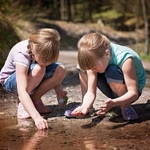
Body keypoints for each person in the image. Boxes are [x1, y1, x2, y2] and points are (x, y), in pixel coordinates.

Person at [65, 32, 146, 121]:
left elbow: (133, 93)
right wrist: (85, 106)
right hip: (112, 88)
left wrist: (114, 102)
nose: (93, 70)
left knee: (112, 70)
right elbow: (91, 91)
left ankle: (125, 106)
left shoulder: (124, 58)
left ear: (107, 54)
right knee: (82, 67)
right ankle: (87, 106)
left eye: (94, 67)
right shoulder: (96, 60)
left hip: (130, 93)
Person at [0, 28, 67, 130]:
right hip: (10, 82)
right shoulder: (21, 54)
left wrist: (59, 91)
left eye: (50, 61)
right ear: (32, 48)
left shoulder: (42, 50)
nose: (48, 63)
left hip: (32, 77)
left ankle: (34, 99)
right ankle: (23, 104)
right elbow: (21, 91)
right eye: (45, 60)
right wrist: (37, 117)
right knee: (40, 68)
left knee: (60, 69)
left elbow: (53, 72)